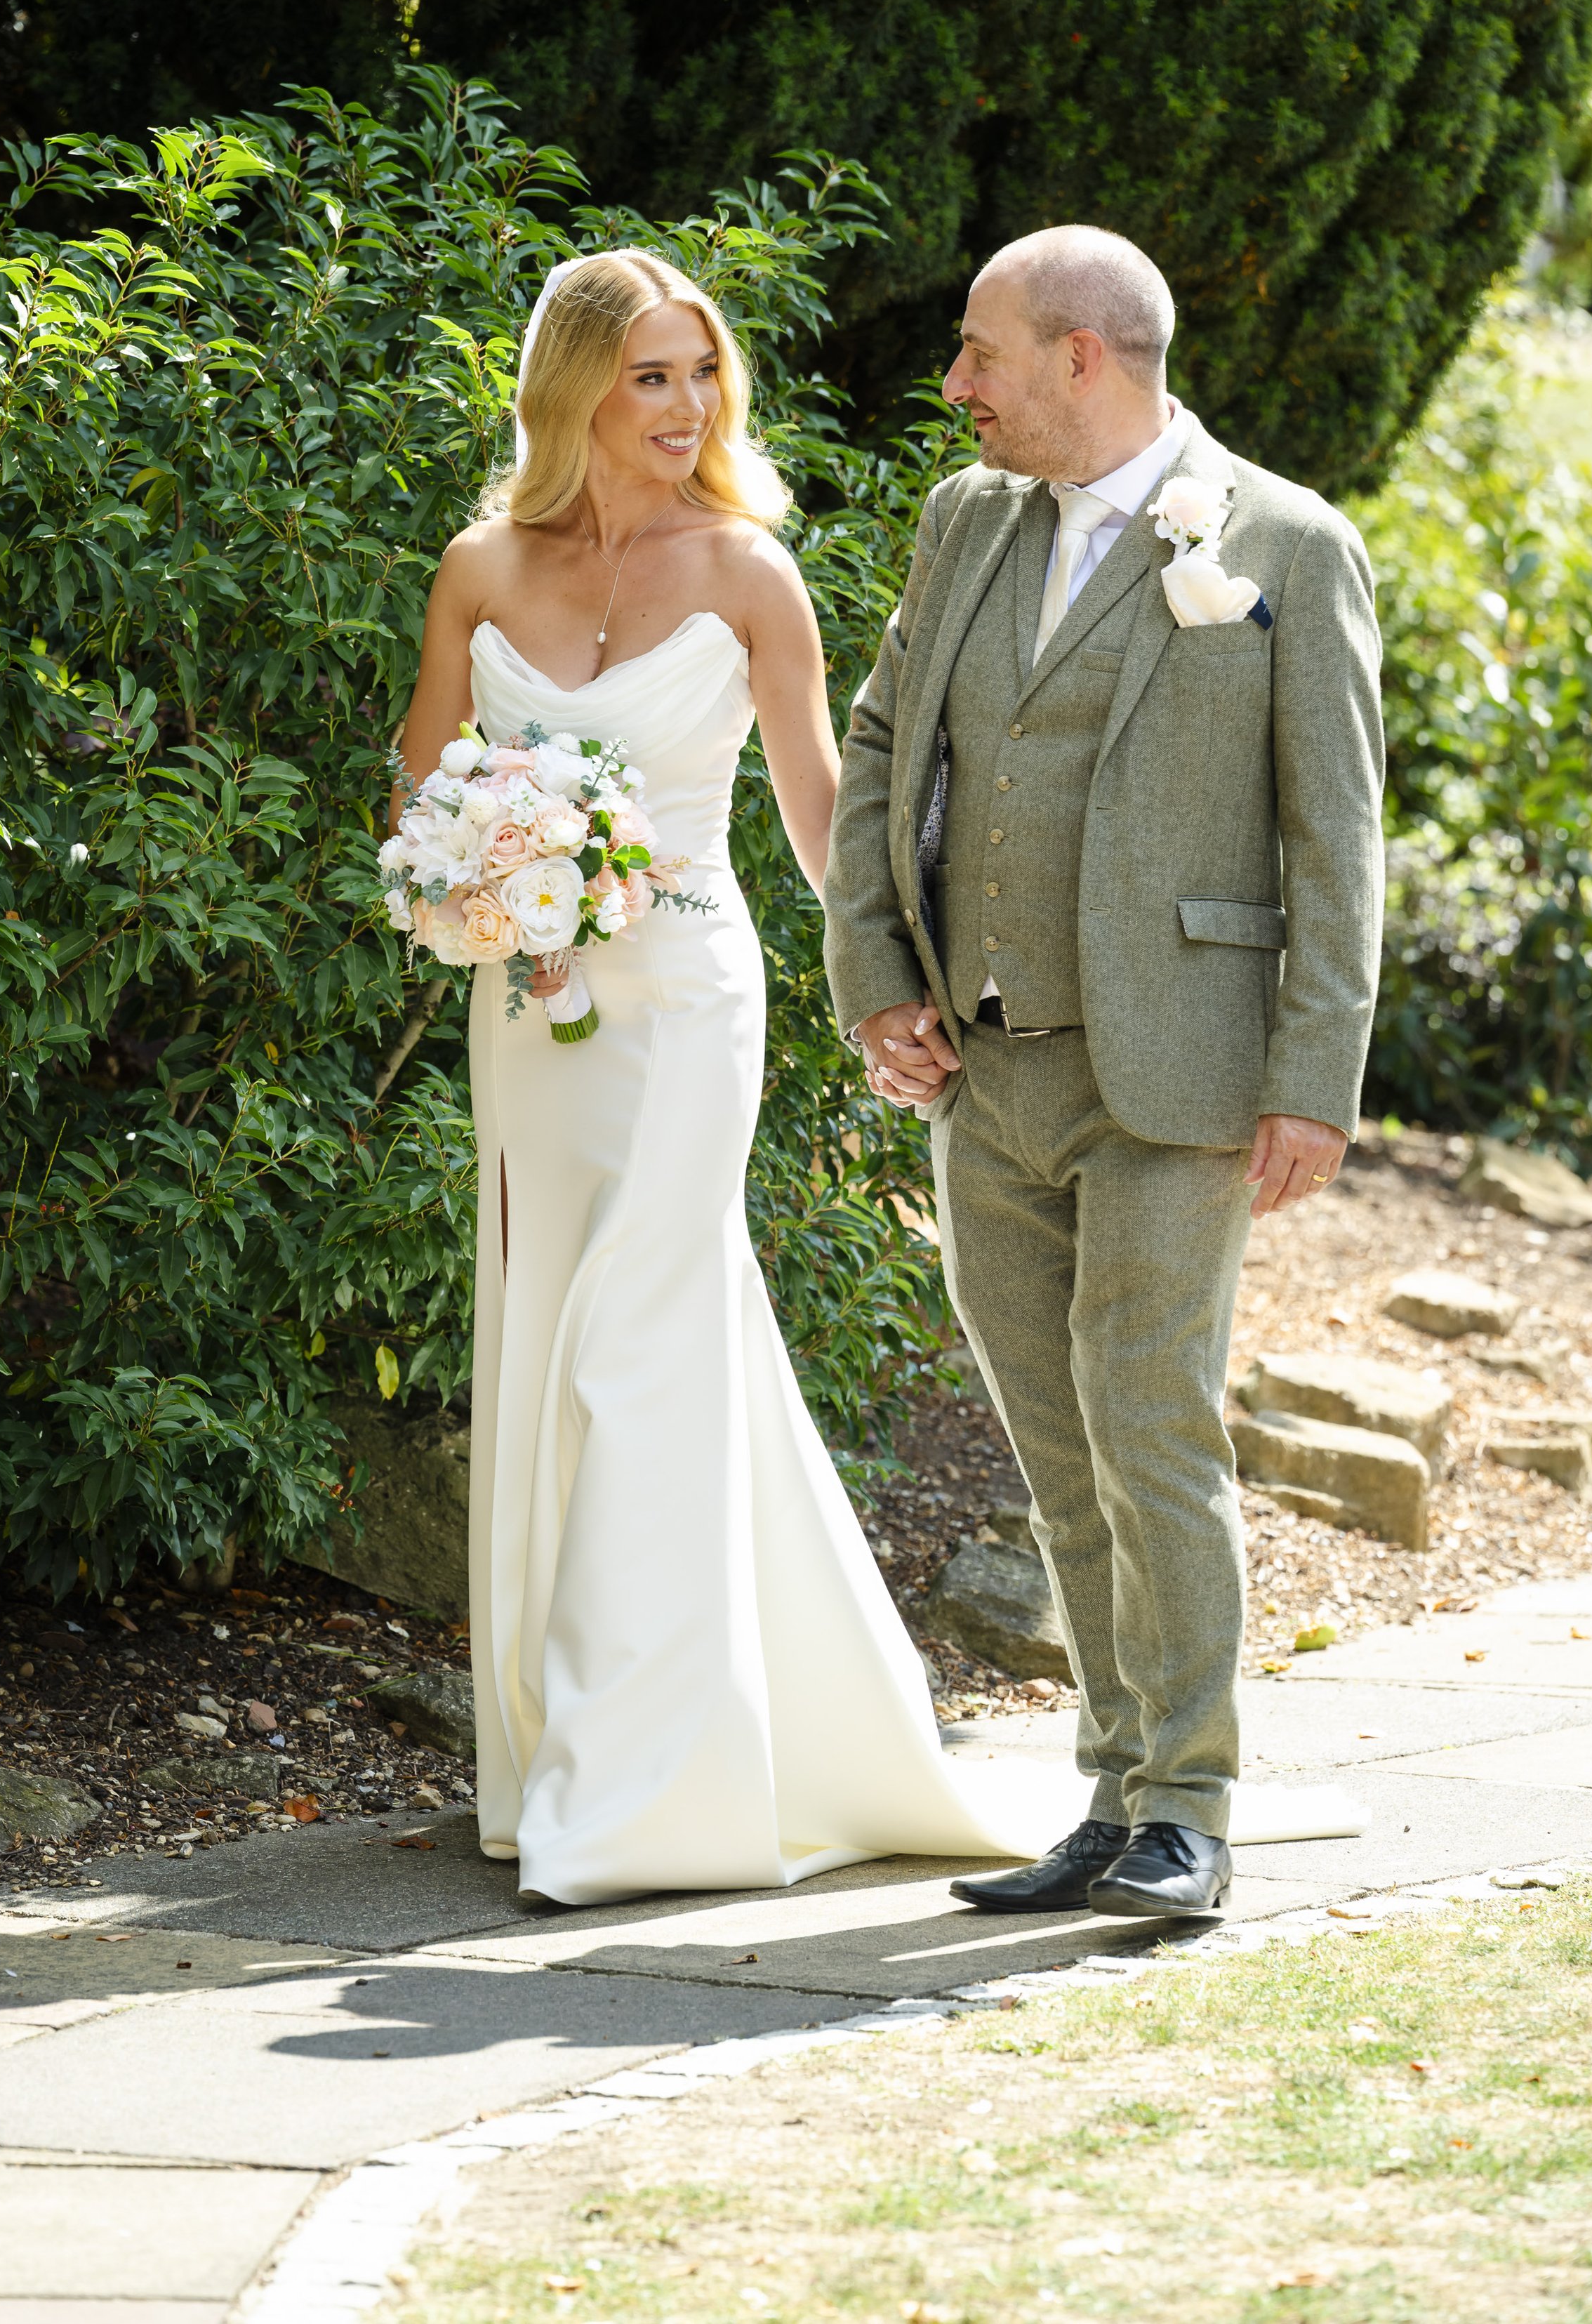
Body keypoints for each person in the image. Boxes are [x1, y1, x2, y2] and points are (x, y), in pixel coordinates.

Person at [394, 248, 1023, 1905]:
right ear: (573, 391)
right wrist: (473, 883)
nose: (684, 409)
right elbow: (425, 802)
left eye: (700, 376)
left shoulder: (750, 576)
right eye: (649, 377)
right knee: (552, 1336)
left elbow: (822, 820)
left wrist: (895, 988)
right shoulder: (476, 566)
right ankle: (581, 1768)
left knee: (638, 1339)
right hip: (530, 1016)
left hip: (683, 996)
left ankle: (648, 1795)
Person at [823, 225, 1384, 1922]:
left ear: (1081, 356)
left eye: (980, 353)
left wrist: (1315, 1075)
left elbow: (1335, 831)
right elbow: (878, 739)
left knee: (1150, 1429)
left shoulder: (1282, 539)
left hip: (1182, 1076)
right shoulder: (964, 521)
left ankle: (1190, 1808)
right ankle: (1108, 1789)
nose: (955, 387)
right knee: (1052, 1448)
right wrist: (875, 976)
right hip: (982, 1073)